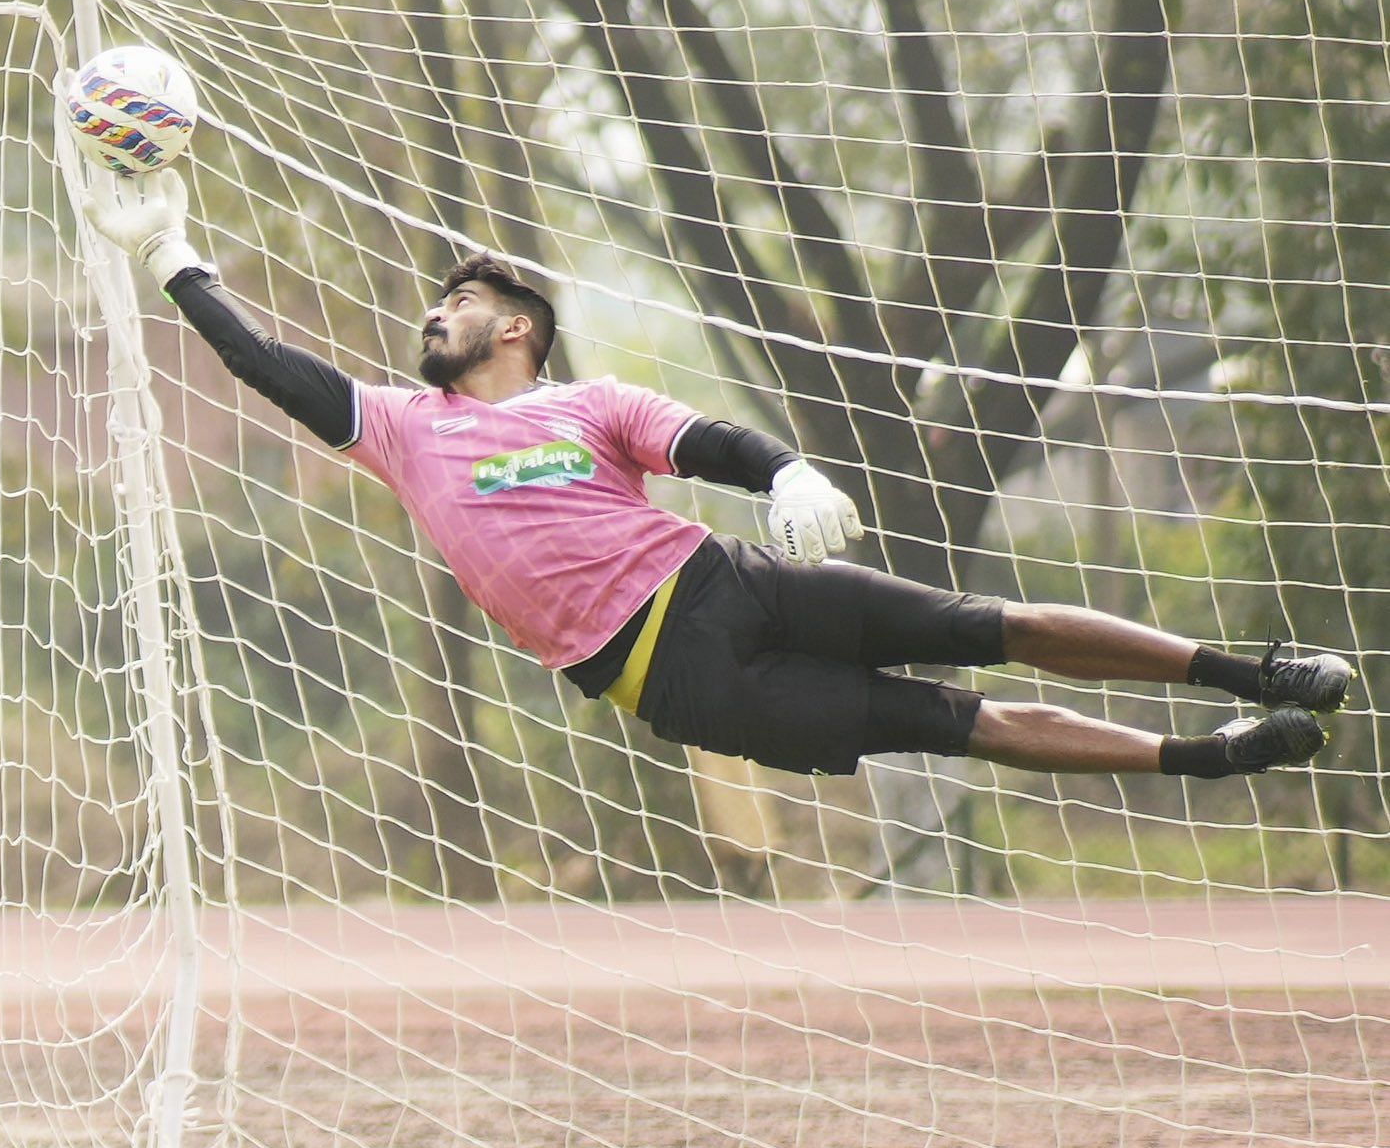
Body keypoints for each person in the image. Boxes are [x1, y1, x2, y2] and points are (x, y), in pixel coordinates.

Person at [92, 173, 1353, 782]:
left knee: (993, 629)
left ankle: (1255, 672)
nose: (437, 313)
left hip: (729, 580)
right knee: (951, 725)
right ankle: (1205, 757)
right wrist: (172, 253)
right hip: (675, 679)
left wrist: (791, 468)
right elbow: (271, 367)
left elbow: (716, 447)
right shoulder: (404, 426)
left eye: (460, 300)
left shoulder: (590, 402)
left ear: (518, 325)